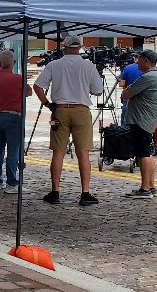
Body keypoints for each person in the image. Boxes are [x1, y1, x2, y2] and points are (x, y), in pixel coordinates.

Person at [33, 35, 104, 206]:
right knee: (83, 153)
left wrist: (47, 104)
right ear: (79, 47)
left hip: (60, 110)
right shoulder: (88, 65)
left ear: (64, 46)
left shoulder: (54, 65)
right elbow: (98, 91)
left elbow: (37, 86)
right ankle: (85, 193)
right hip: (81, 109)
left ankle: (55, 191)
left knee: (58, 152)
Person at [122, 50, 157, 199]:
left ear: (146, 61)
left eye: (139, 60)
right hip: (147, 120)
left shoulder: (148, 77)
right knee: (147, 152)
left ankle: (145, 189)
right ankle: (151, 186)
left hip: (141, 120)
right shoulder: (155, 76)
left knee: (143, 154)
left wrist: (127, 88)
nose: (137, 62)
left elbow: (126, 94)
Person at [0, 50, 31, 193]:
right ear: (13, 63)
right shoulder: (18, 78)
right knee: (13, 151)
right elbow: (28, 92)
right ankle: (12, 183)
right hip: (14, 117)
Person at [117, 57, 142, 125]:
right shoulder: (146, 69)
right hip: (141, 98)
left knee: (125, 120)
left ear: (134, 58)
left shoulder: (128, 68)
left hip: (128, 96)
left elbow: (121, 84)